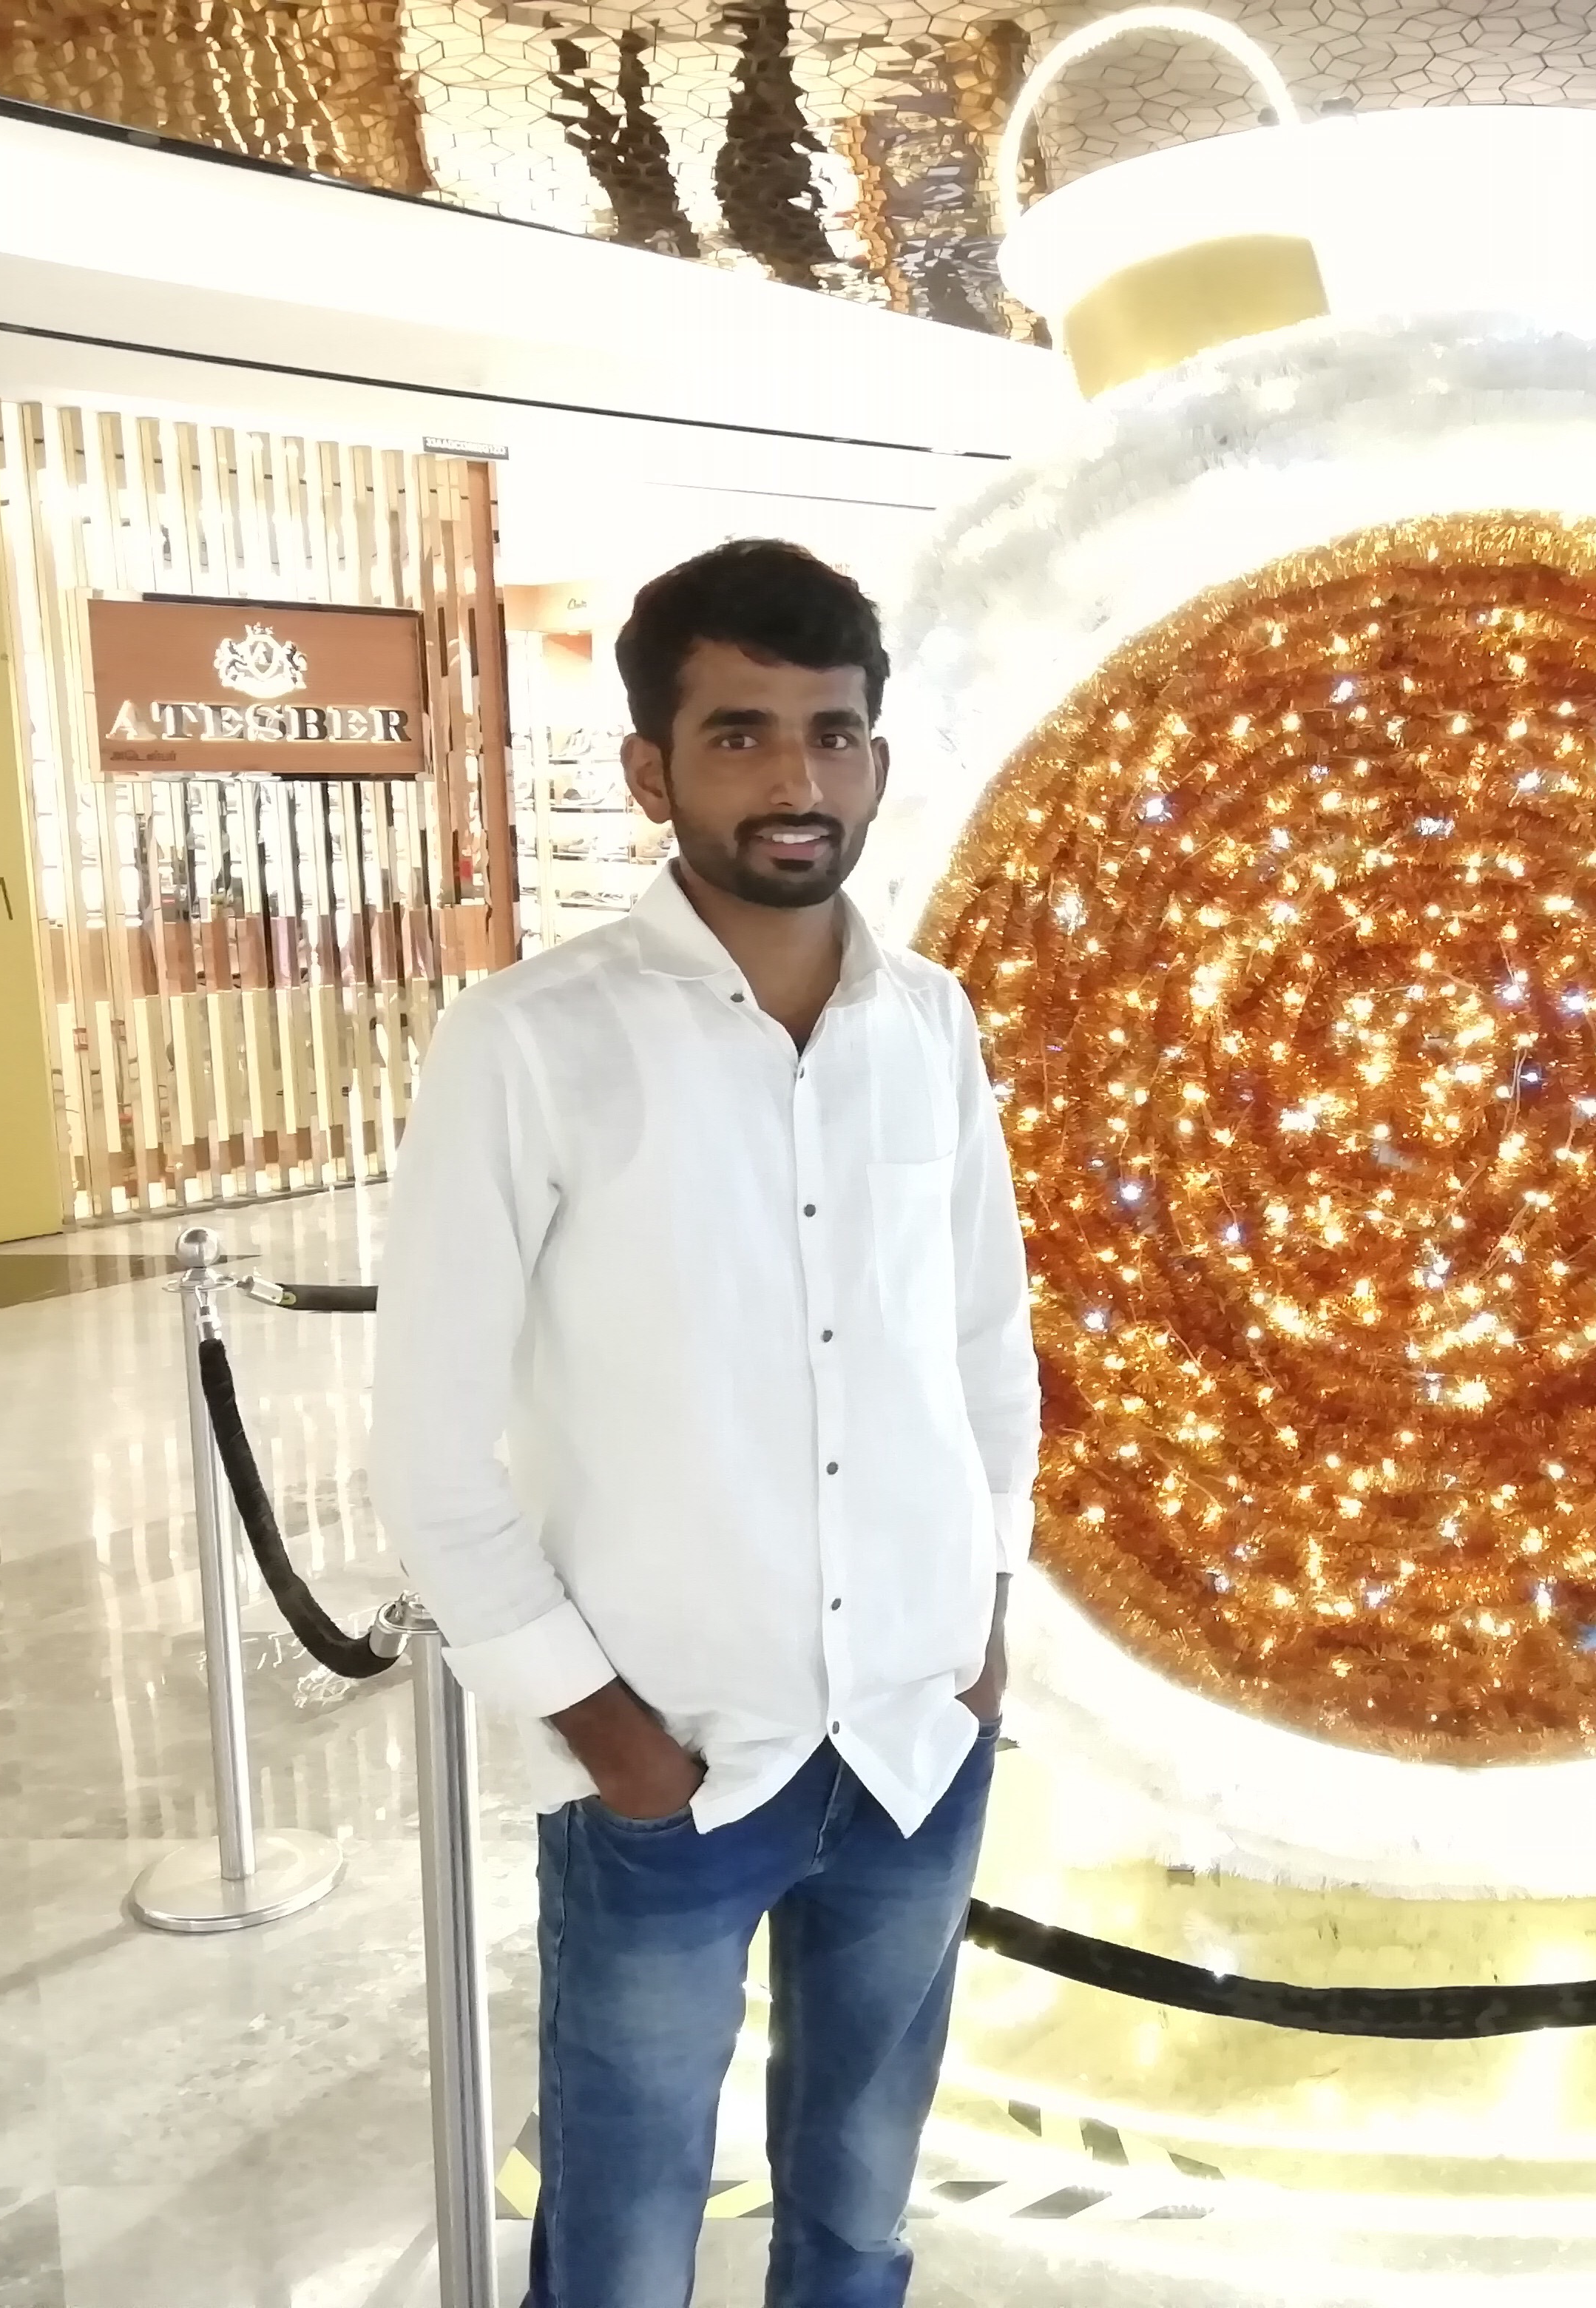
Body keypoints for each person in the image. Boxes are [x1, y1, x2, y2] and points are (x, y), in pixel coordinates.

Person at [370, 538, 1041, 2308]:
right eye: (740, 734)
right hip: (671, 1757)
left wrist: (982, 1626)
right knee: (620, 2238)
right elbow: (427, 1450)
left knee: (858, 2214)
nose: (797, 779)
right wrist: (608, 1737)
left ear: (876, 760)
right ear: (651, 771)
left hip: (912, 1742)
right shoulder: (530, 1044)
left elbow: (985, 1343)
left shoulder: (931, 1026)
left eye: (833, 732)